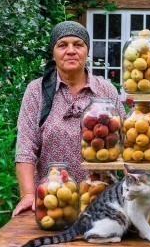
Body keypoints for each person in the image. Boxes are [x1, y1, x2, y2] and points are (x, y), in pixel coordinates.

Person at [12, 21, 125, 216]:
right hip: (52, 202)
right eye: (62, 45)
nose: (71, 50)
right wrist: (28, 195)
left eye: (78, 44)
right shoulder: (36, 91)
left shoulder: (106, 90)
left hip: (99, 199)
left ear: (87, 51)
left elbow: (126, 142)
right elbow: (25, 148)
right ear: (53, 53)